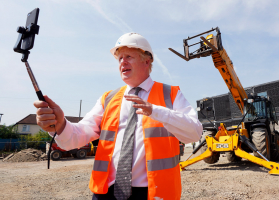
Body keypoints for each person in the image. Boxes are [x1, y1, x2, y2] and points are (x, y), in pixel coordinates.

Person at [34, 32, 203, 200]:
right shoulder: (108, 98)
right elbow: (78, 135)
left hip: (152, 194)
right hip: (107, 192)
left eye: (128, 56)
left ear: (147, 60)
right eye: (120, 58)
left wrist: (156, 111)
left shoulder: (170, 94)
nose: (122, 62)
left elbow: (194, 133)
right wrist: (60, 125)